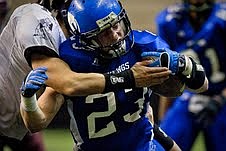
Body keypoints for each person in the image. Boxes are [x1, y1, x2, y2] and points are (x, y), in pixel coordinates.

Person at [20, 0, 208, 150]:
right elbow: (36, 123)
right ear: (85, 39)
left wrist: (186, 66)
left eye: (116, 24)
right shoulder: (72, 62)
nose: (116, 35)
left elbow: (202, 85)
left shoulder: (144, 46)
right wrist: (28, 100)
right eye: (105, 33)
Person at [155, 0, 226, 150]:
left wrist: (220, 99)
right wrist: (163, 118)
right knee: (163, 144)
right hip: (187, 96)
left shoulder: (222, 19)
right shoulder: (169, 21)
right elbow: (168, 74)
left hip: (222, 96)